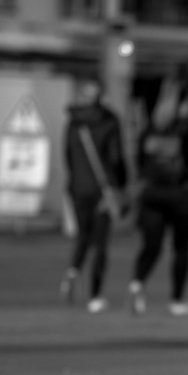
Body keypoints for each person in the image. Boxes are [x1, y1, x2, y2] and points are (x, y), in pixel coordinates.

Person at [128, 79, 188, 316]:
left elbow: (139, 162)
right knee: (181, 248)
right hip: (180, 194)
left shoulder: (149, 129)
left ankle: (137, 283)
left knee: (151, 246)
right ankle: (177, 299)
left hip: (151, 193)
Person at [60, 76, 128, 313]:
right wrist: (120, 185)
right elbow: (116, 158)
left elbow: (66, 154)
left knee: (83, 235)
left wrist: (73, 180)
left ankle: (72, 272)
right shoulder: (109, 120)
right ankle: (95, 295)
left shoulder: (74, 121)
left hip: (78, 187)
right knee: (100, 243)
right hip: (102, 188)